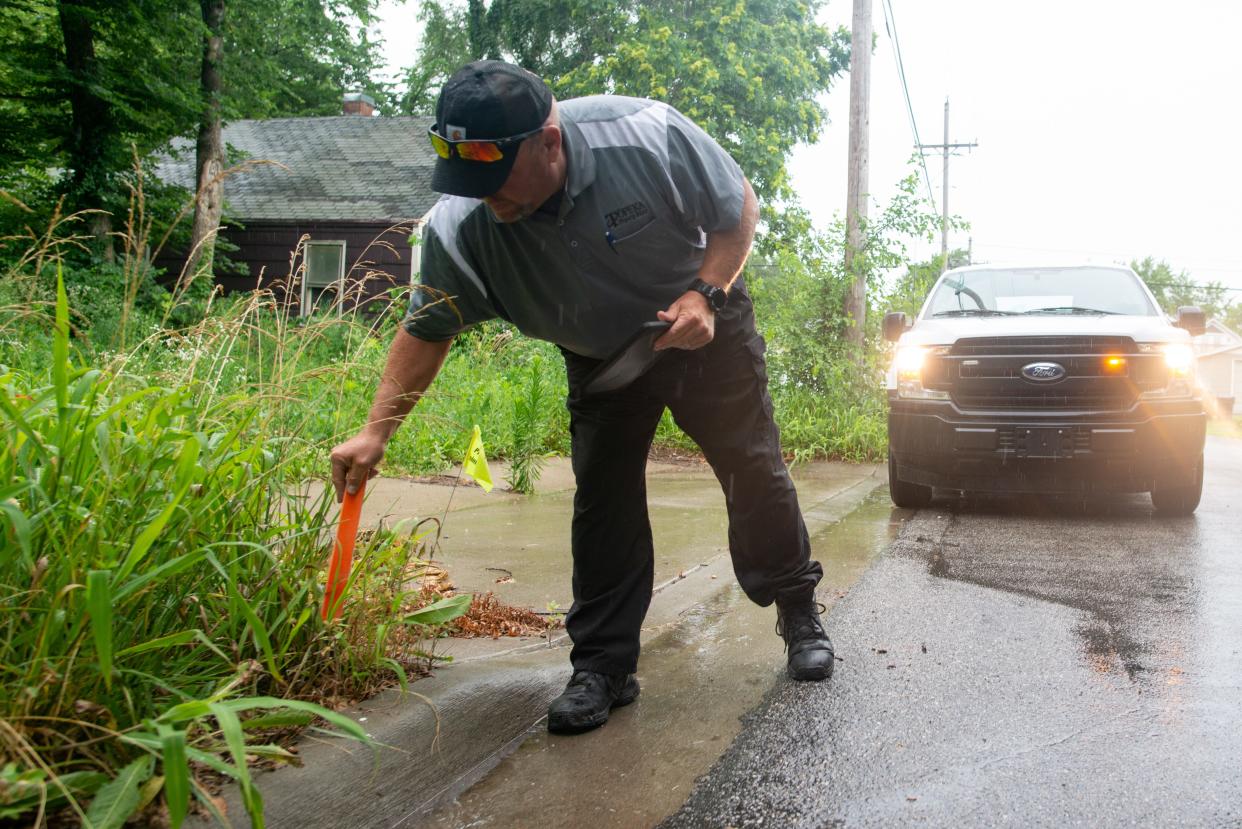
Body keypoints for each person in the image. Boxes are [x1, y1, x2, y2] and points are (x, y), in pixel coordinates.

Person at [330, 60, 834, 735]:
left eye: (495, 176)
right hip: (599, 355)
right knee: (602, 499)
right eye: (468, 182)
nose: (485, 198)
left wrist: (707, 292)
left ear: (549, 141)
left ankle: (797, 606)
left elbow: (737, 205)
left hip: (699, 322)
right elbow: (426, 330)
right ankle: (602, 667)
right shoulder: (458, 228)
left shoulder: (645, 135)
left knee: (751, 463)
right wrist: (375, 432)